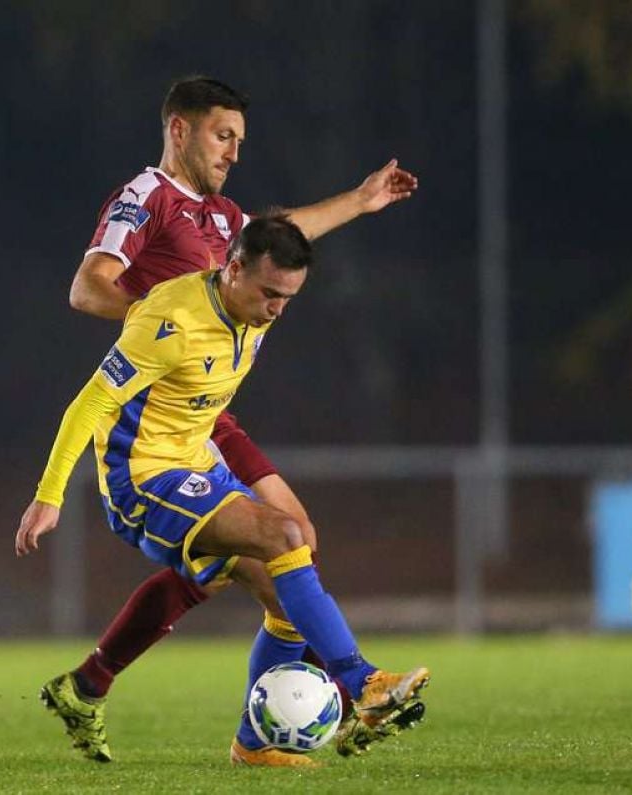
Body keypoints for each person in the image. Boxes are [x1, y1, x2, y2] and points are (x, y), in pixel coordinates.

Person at [56, 76, 421, 764]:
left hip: (210, 414)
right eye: (223, 136)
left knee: (286, 551)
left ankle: (103, 686)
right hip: (160, 418)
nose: (233, 152)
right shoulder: (147, 198)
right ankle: (351, 689)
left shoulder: (223, 217)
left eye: (239, 140)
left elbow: (278, 241)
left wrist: (360, 200)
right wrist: (167, 320)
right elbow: (87, 287)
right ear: (179, 130)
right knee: (273, 549)